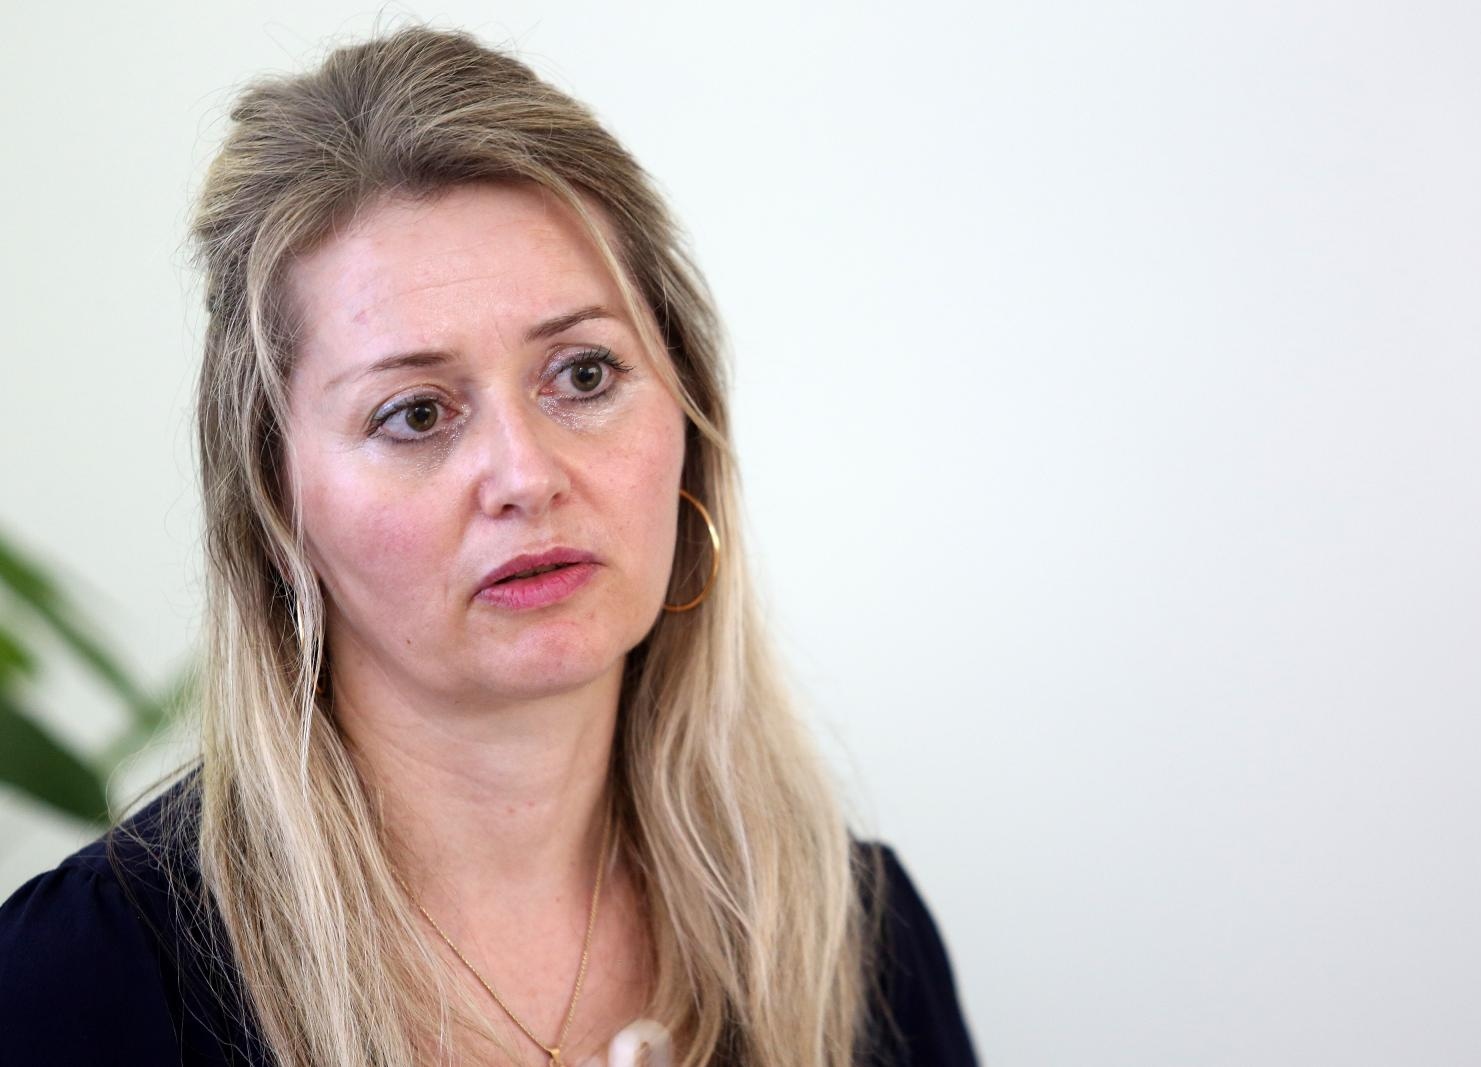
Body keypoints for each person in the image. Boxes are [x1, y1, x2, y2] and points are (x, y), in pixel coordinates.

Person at [0, 25, 979, 1067]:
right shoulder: (75, 983)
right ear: (275, 508)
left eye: (584, 374)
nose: (526, 474)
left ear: (689, 418)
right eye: (416, 413)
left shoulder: (858, 938)